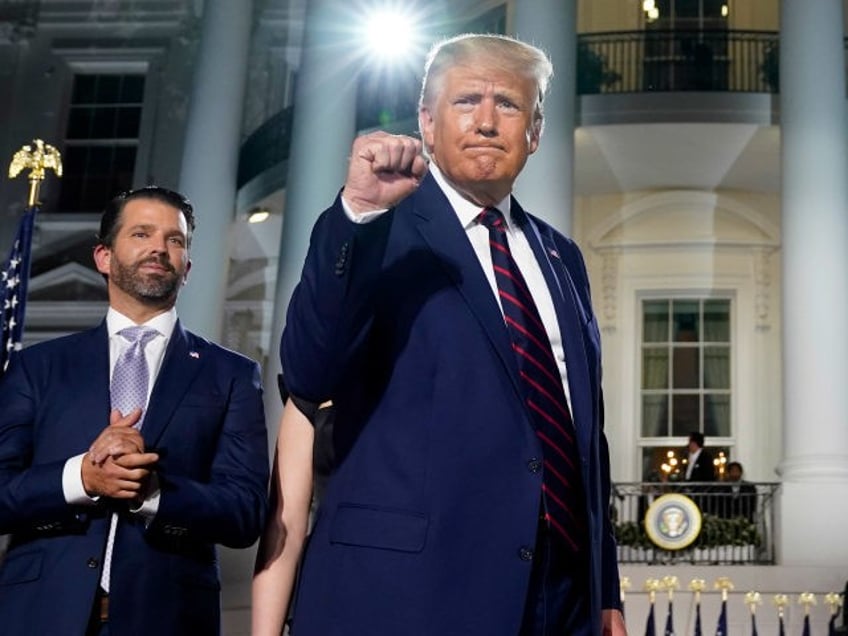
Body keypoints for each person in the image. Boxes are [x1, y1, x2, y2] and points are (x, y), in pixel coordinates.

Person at [277, 33, 627, 635]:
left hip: (559, 598)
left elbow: (583, 438)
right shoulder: (375, 228)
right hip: (410, 595)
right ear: (427, 124)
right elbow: (310, 372)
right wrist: (358, 215)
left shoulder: (562, 257)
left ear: (535, 132)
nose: (488, 122)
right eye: (467, 101)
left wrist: (606, 594)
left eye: (509, 105)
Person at [0, 186, 269, 635]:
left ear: (186, 270)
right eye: (141, 234)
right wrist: (81, 478)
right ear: (104, 257)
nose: (159, 249)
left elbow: (244, 512)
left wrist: (153, 492)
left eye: (175, 240)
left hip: (169, 618)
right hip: (39, 615)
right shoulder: (37, 367)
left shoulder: (233, 375)